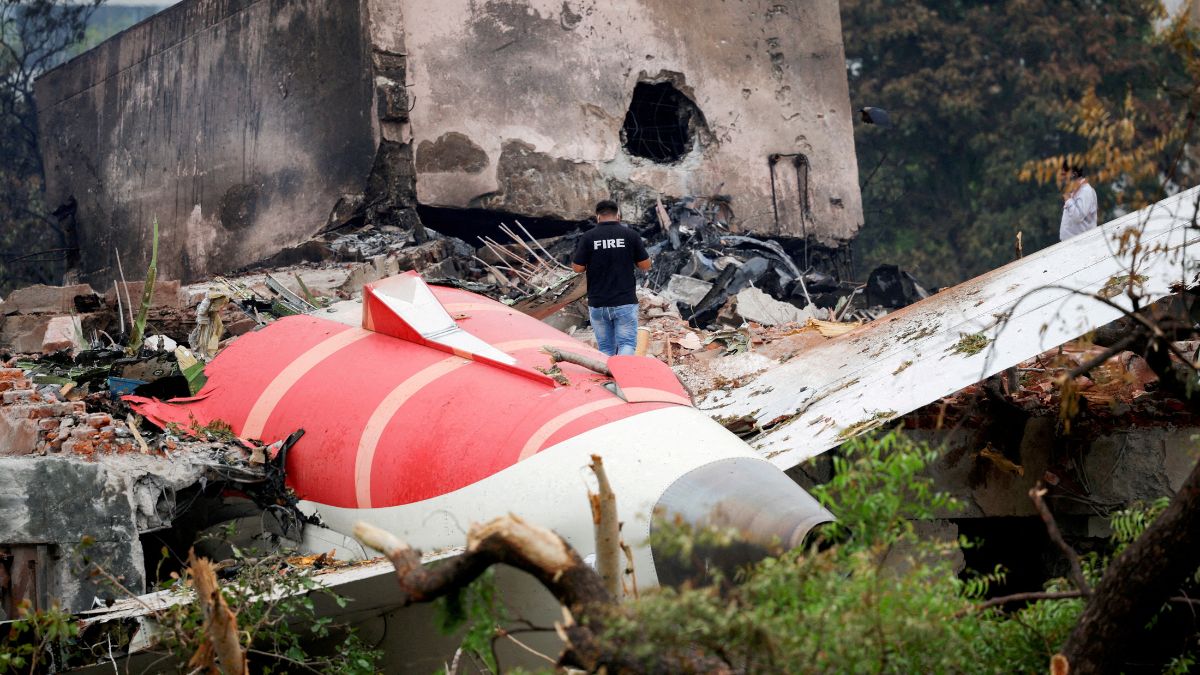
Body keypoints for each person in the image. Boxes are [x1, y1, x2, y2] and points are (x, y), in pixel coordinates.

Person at [571, 199, 651, 356]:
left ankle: (608, 380)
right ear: (618, 215)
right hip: (624, 302)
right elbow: (645, 265)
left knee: (606, 348)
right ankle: (621, 380)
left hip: (598, 303)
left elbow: (577, 268)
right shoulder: (630, 235)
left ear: (598, 216)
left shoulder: (588, 237)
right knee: (627, 344)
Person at [1059, 161, 1098, 241]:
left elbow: (1078, 216)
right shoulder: (1074, 191)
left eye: (1064, 174)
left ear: (1074, 175)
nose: (1061, 178)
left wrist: (1068, 200)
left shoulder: (1086, 191)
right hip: (1072, 244)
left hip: (1083, 244)